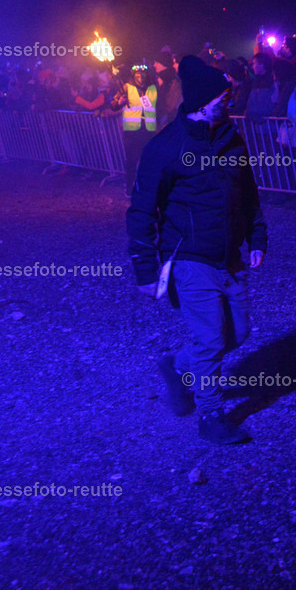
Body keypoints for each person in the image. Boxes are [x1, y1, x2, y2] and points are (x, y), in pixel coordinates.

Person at [126, 56, 267, 445]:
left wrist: (257, 238)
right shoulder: (166, 147)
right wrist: (144, 269)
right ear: (205, 102)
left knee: (237, 333)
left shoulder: (231, 139)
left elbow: (248, 194)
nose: (233, 99)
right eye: (226, 95)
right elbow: (141, 210)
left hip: (229, 257)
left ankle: (177, 366)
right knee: (210, 339)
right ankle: (211, 415)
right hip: (189, 258)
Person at [112, 65, 158, 196]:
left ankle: (147, 188)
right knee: (131, 161)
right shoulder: (126, 88)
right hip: (132, 132)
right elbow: (113, 104)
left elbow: (158, 107)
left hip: (148, 131)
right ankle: (129, 188)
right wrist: (119, 102)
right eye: (137, 75)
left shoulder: (153, 88)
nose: (140, 78)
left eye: (143, 75)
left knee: (148, 161)